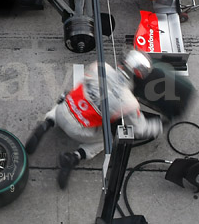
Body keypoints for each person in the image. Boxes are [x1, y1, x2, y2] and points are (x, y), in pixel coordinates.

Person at [24, 50, 163, 189]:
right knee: (107, 138)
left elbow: (80, 85)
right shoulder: (129, 103)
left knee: (67, 97)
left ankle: (47, 123)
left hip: (62, 111)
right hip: (78, 130)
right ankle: (74, 157)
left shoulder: (100, 67)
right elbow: (140, 129)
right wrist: (159, 126)